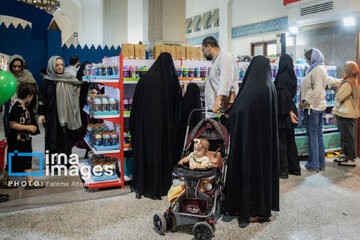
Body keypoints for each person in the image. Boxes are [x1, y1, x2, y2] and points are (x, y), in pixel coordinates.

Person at [224, 56, 279, 228]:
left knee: (247, 171)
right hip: (263, 143)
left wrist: (229, 115)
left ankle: (252, 209)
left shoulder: (252, 89)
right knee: (260, 174)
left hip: (248, 142)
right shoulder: (270, 86)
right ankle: (257, 207)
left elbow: (240, 111)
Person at [130, 52, 182, 200]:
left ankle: (147, 185)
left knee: (149, 154)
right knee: (163, 155)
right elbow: (177, 107)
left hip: (146, 128)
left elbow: (136, 106)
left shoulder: (145, 79)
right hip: (166, 129)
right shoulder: (172, 80)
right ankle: (163, 185)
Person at [38, 56, 84, 170]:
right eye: (57, 65)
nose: (59, 67)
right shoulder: (47, 81)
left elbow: (78, 87)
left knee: (66, 138)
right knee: (52, 139)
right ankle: (52, 163)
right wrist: (42, 114)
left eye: (61, 64)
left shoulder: (68, 78)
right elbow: (42, 99)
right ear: (52, 66)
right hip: (52, 116)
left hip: (66, 114)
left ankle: (65, 160)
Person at [1, 83, 44, 190]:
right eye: (33, 95)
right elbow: (12, 124)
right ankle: (5, 180)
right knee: (15, 159)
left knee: (25, 159)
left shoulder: (23, 105)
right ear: (29, 95)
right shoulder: (17, 106)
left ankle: (30, 181)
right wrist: (28, 128)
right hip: (17, 140)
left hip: (24, 139)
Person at [299, 49, 327, 173]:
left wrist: (305, 101)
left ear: (313, 58)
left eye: (308, 59)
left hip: (313, 108)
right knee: (319, 136)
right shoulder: (320, 68)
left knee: (313, 137)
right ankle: (321, 163)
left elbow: (316, 90)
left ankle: (313, 165)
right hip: (318, 107)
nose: (306, 61)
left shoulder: (316, 70)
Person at [327, 61, 360, 166]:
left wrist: (336, 92)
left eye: (345, 69)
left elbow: (340, 96)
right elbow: (339, 82)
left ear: (348, 71)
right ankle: (346, 155)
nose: (343, 71)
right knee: (347, 136)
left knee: (347, 137)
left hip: (346, 114)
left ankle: (350, 158)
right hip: (350, 114)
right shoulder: (353, 81)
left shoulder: (348, 84)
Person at [274, 54, 301, 179]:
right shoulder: (292, 76)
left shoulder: (281, 77)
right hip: (291, 109)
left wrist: (289, 111)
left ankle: (283, 171)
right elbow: (290, 94)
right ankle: (295, 168)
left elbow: (283, 96)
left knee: (282, 141)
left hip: (283, 111)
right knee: (291, 140)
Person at [202, 37, 239, 123]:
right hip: (216, 108)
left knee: (222, 134)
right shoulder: (217, 60)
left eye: (203, 50)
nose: (203, 54)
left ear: (208, 47)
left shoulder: (225, 58)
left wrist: (218, 101)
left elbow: (225, 81)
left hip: (221, 108)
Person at [3, 54, 39, 139]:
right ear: (10, 65)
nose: (17, 69)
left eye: (19, 66)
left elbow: (34, 92)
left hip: (25, 108)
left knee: (24, 135)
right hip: (10, 109)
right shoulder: (6, 76)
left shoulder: (28, 75)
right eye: (14, 66)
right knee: (11, 134)